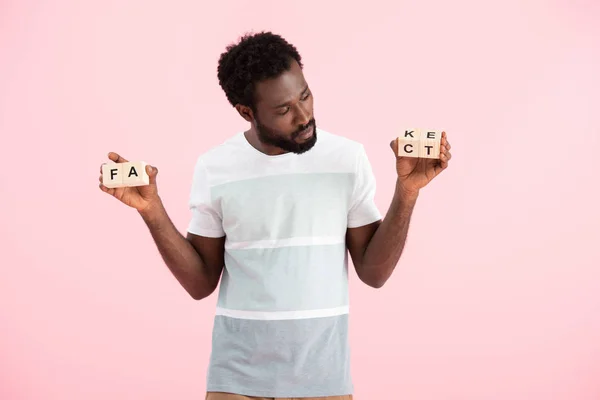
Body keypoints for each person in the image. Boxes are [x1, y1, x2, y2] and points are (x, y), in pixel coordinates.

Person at [98, 31, 452, 400]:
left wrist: (408, 192)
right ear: (246, 112)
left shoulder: (347, 159)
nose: (304, 116)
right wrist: (151, 210)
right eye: (284, 110)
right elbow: (201, 282)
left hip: (323, 378)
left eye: (305, 96)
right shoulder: (215, 167)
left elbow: (374, 273)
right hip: (236, 379)